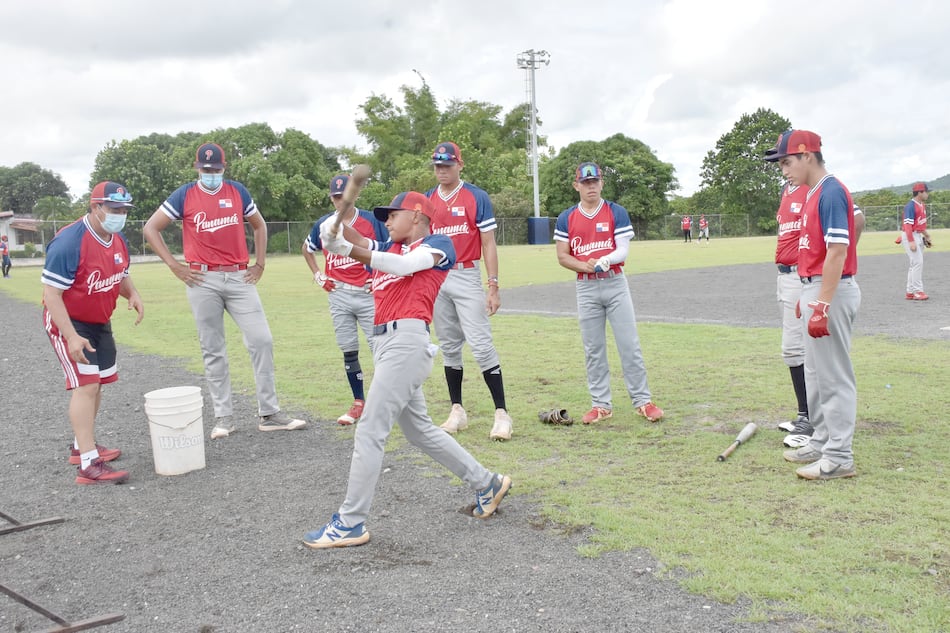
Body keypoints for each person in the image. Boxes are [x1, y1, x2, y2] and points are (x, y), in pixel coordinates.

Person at [303, 191, 511, 549]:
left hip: (406, 341)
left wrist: (346, 247)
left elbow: (399, 265)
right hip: (386, 345)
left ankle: (350, 523)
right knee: (419, 432)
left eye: (392, 215)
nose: (385, 221)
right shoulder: (390, 248)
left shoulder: (437, 244)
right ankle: (487, 483)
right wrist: (332, 231)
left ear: (415, 215)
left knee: (370, 430)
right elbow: (356, 241)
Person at [143, 142, 306, 439]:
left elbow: (259, 224)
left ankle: (269, 413)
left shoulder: (237, 191)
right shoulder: (185, 195)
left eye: (216, 169)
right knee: (213, 348)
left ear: (224, 168)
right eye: (205, 169)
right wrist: (174, 265)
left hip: (238, 277)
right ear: (197, 169)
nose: (211, 173)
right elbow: (151, 228)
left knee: (262, 340)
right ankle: (224, 418)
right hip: (202, 279)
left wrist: (260, 263)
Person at [766, 130, 861, 480]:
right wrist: (807, 295)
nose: (784, 170)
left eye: (787, 162)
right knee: (816, 374)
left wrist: (821, 302)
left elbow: (837, 251)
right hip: (814, 287)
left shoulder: (831, 191)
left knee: (834, 376)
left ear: (808, 156)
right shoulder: (813, 194)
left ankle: (839, 457)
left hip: (830, 290)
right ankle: (822, 441)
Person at [41, 181, 143, 484]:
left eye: (124, 209)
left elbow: (121, 274)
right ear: (95, 207)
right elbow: (52, 295)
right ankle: (88, 463)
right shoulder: (69, 242)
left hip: (100, 322)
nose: (120, 214)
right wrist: (71, 335)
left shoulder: (117, 239)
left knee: (98, 384)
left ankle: (80, 445)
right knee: (86, 385)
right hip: (69, 322)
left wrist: (133, 294)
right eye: (114, 209)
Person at [554, 162, 664, 425]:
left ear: (601, 183)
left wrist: (605, 260)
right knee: (593, 348)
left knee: (629, 345)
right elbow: (562, 255)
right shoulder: (566, 217)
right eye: (585, 182)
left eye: (595, 181)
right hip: (586, 286)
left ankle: (642, 401)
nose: (590, 186)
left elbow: (623, 250)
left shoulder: (616, 211)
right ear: (576, 185)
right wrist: (586, 265)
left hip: (615, 283)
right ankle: (601, 405)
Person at [425, 141, 513, 441]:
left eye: (447, 165)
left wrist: (493, 285)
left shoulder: (476, 196)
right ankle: (457, 409)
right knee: (449, 345)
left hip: (466, 273)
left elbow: (488, 242)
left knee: (481, 344)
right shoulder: (426, 199)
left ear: (459, 165)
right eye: (437, 165)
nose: (442, 170)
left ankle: (502, 413)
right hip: (437, 275)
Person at [302, 174, 389, 425]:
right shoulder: (324, 223)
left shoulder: (371, 221)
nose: (341, 201)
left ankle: (384, 402)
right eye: (336, 197)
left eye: (345, 196)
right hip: (338, 293)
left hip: (367, 293)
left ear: (355, 195)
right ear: (331, 198)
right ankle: (358, 402)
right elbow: (307, 249)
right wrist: (319, 276)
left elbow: (387, 248)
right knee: (348, 349)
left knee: (381, 349)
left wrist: (378, 276)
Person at [771, 181, 812, 447]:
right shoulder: (788, 189)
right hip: (786, 276)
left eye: (786, 160)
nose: (782, 166)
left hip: (802, 275)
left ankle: (811, 419)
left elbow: (856, 218)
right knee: (794, 350)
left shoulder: (815, 186)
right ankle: (804, 414)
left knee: (799, 348)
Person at [902, 182, 932, 301]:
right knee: (918, 263)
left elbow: (920, 225)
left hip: (918, 235)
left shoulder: (922, 205)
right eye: (926, 191)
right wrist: (911, 241)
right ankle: (917, 291)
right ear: (920, 192)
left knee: (914, 264)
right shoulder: (910, 206)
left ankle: (910, 292)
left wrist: (927, 236)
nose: (927, 194)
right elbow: (907, 225)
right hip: (910, 235)